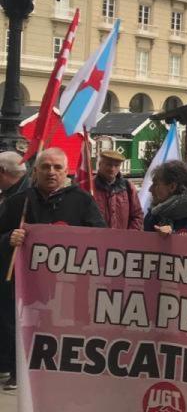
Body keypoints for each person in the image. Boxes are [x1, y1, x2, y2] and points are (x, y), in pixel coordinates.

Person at [0, 148, 105, 393]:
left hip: (67, 285)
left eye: (57, 167)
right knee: (23, 327)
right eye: (45, 167)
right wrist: (8, 239)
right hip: (26, 285)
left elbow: (101, 236)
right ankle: (18, 372)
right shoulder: (19, 201)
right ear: (35, 171)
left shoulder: (82, 201)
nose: (51, 172)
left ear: (66, 171)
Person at [0, 152, 27, 389]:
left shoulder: (23, 197)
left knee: (12, 319)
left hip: (20, 270)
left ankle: (13, 367)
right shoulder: (11, 196)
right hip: (9, 267)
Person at [143, 160, 187, 238]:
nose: (150, 189)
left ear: (172, 187)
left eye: (156, 184)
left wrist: (172, 237)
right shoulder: (151, 217)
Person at [92, 150, 144, 231]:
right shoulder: (90, 187)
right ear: (100, 164)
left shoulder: (128, 187)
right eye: (108, 164)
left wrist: (129, 234)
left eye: (116, 165)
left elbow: (137, 215)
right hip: (95, 237)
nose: (112, 169)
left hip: (122, 238)